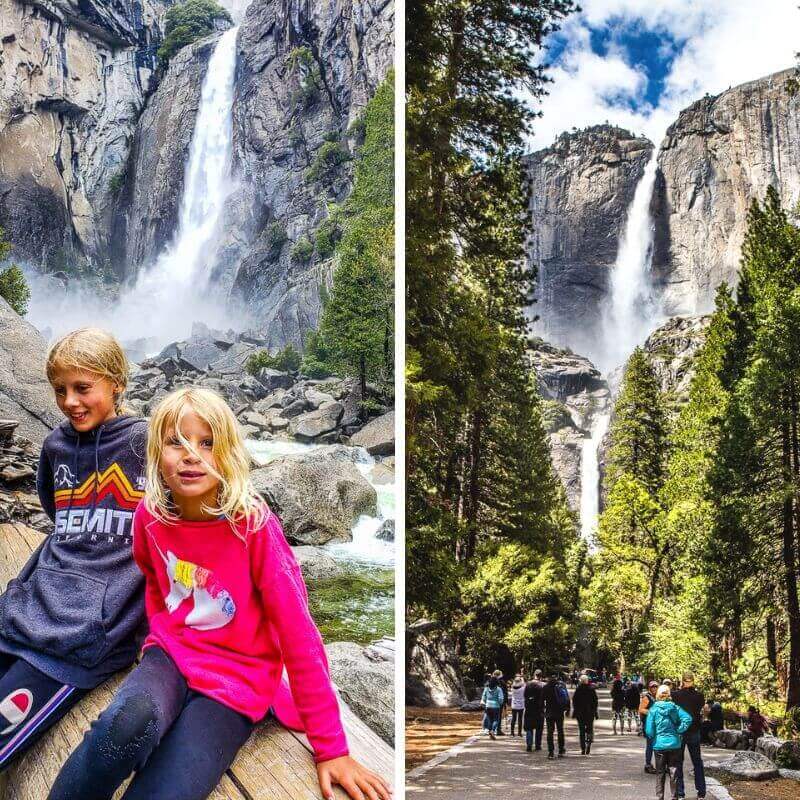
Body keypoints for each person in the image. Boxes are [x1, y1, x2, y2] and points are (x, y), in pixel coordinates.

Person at [48, 387, 390, 800]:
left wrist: (331, 748)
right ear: (156, 454)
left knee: (167, 791)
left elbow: (300, 636)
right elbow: (154, 579)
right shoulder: (150, 517)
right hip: (171, 656)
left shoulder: (253, 527)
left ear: (228, 453)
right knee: (119, 731)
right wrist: (159, 631)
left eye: (207, 443)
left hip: (237, 680)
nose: (192, 455)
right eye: (176, 442)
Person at [0, 328, 148, 772]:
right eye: (60, 390)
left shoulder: (149, 443)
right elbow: (56, 512)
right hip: (29, 610)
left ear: (117, 383)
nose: (69, 402)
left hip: (88, 636)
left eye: (83, 388)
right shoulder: (56, 445)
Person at [645, 685, 693, 800]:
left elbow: (649, 730)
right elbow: (688, 718)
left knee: (660, 773)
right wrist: (679, 730)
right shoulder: (675, 708)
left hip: (659, 745)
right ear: (669, 695)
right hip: (674, 744)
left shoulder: (653, 710)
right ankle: (674, 797)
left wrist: (653, 736)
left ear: (657, 695)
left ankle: (660, 797)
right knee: (674, 772)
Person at [673, 672, 707, 800]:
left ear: (682, 681)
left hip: (680, 732)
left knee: (678, 762)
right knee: (697, 761)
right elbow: (703, 710)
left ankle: (680, 793)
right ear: (693, 681)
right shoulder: (699, 696)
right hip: (694, 730)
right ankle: (701, 792)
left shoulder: (675, 695)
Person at [543, 671, 570, 758]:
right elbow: (567, 698)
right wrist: (567, 709)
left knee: (550, 732)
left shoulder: (546, 687)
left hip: (549, 712)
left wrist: (542, 711)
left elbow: (541, 700)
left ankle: (551, 752)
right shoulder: (561, 685)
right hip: (559, 712)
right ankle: (561, 750)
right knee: (560, 731)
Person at [572, 674, 598, 755]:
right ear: (587, 681)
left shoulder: (578, 689)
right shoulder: (591, 689)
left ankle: (583, 748)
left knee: (581, 730)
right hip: (590, 713)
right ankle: (589, 744)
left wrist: (575, 711)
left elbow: (574, 701)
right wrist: (594, 711)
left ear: (580, 681)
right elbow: (595, 701)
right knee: (589, 729)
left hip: (580, 713)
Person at [640, 680, 659, 774]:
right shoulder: (647, 698)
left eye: (656, 687)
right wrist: (651, 712)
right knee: (651, 745)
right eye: (652, 687)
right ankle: (648, 765)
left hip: (657, 725)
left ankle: (660, 765)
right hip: (649, 725)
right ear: (649, 688)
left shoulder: (659, 697)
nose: (654, 688)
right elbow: (641, 709)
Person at [523, 669, 545, 752]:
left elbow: (525, 695)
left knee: (529, 727)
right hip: (539, 709)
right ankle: (538, 745)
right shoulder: (543, 685)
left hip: (529, 708)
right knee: (539, 728)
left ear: (534, 675)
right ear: (541, 676)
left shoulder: (528, 684)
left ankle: (529, 745)